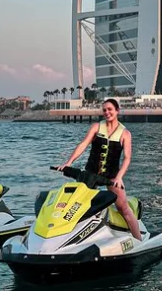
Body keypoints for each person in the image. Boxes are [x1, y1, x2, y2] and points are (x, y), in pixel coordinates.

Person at [58, 98, 141, 240]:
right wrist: (69, 163)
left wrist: (119, 177)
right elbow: (83, 145)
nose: (107, 112)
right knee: (76, 205)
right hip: (91, 173)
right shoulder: (96, 127)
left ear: (117, 111)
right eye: (104, 110)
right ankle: (68, 237)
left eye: (110, 109)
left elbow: (127, 158)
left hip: (111, 177)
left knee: (124, 209)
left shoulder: (125, 134)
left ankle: (139, 240)